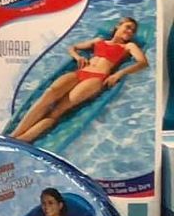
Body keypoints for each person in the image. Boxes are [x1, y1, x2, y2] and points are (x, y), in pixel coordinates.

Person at [12, 17, 148, 144]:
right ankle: (14, 135)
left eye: (133, 31)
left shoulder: (128, 46)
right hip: (80, 73)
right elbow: (72, 47)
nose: (130, 32)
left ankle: (22, 140)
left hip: (97, 78)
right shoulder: (98, 41)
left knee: (58, 110)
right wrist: (78, 57)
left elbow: (142, 63)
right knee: (48, 94)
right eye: (128, 27)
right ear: (118, 26)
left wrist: (119, 73)